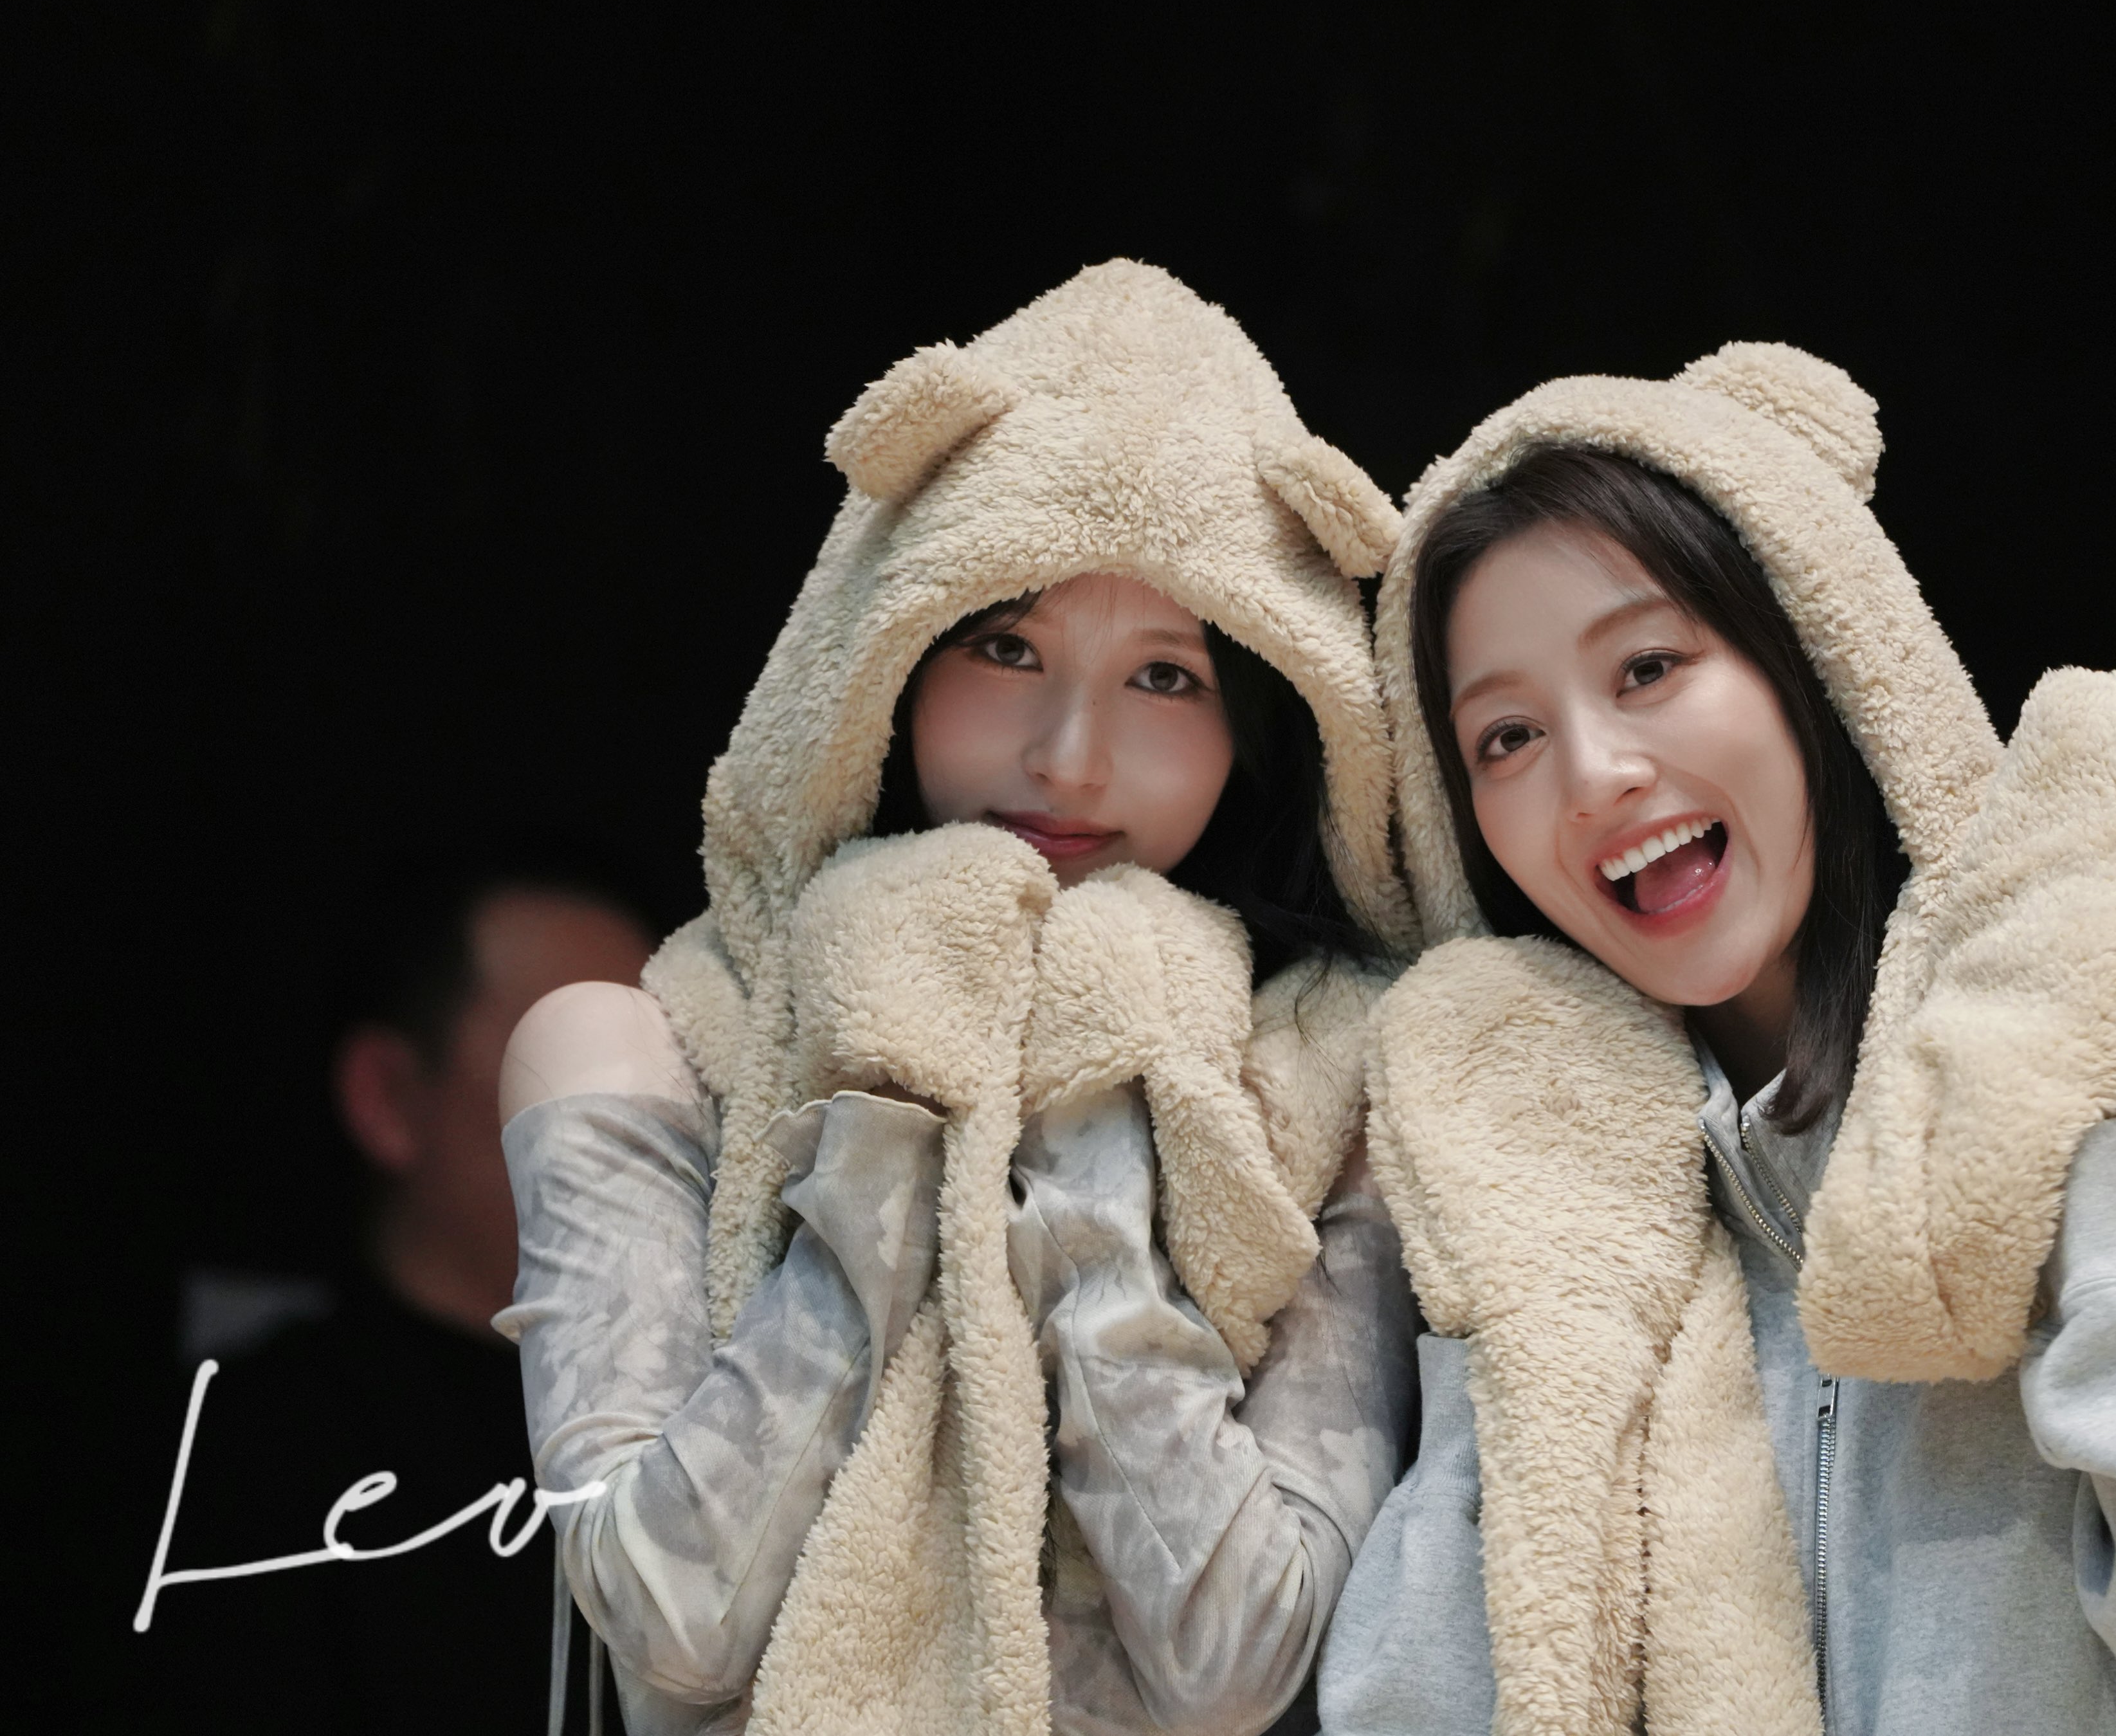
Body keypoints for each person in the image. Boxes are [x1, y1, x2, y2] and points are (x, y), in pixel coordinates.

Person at [1320, 347, 2116, 1735]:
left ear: (1813, 655)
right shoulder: (1522, 1210)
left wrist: (2061, 1123)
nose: (1595, 773)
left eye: (1648, 666)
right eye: (1506, 738)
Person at [495, 262, 1423, 1736]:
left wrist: (1091, 1074)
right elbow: (669, 1620)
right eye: (1007, 648)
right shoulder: (638, 1049)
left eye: (1167, 679)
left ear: (1263, 722)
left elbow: (1239, 1665)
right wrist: (896, 1100)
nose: (1068, 755)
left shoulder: (1342, 1079)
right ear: (886, 652)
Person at [147, 864, 655, 1735]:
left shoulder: (713, 1416)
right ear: (386, 1097)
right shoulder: (253, 1458)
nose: (651, 1122)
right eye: (579, 1067)